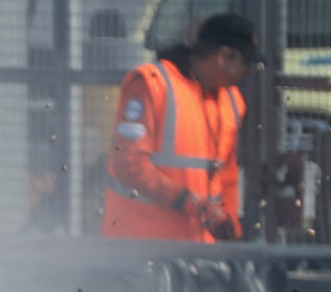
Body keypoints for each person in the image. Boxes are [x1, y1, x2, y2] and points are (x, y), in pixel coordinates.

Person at [101, 12, 258, 243]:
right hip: (140, 244)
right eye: (246, 62)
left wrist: (230, 226)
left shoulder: (232, 101)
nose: (249, 71)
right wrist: (188, 201)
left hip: (198, 248)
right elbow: (128, 163)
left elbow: (227, 174)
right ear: (223, 56)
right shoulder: (152, 84)